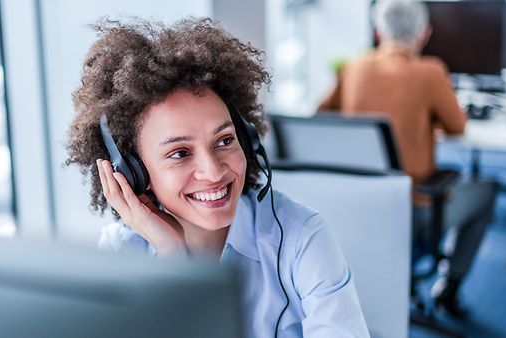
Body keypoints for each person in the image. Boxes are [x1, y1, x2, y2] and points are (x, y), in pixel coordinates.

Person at [65, 17, 369, 337]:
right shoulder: (121, 253)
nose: (213, 171)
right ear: (133, 172)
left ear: (246, 141)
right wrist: (174, 261)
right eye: (180, 153)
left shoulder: (301, 238)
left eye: (225, 140)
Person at [317, 0, 496, 316]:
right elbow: (457, 126)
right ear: (424, 34)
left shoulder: (353, 67)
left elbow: (320, 118)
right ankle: (449, 287)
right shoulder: (430, 72)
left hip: (354, 206)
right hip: (414, 213)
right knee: (486, 191)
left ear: (377, 31)